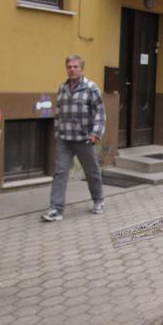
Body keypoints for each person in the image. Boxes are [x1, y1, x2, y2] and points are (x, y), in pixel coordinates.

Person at [42, 54, 106, 222]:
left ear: (82, 69)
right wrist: (57, 132)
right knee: (60, 172)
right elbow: (58, 112)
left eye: (75, 67)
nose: (72, 69)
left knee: (92, 172)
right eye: (69, 67)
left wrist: (96, 133)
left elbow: (100, 112)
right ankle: (55, 209)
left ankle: (98, 199)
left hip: (84, 139)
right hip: (64, 139)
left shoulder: (91, 88)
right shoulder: (62, 88)